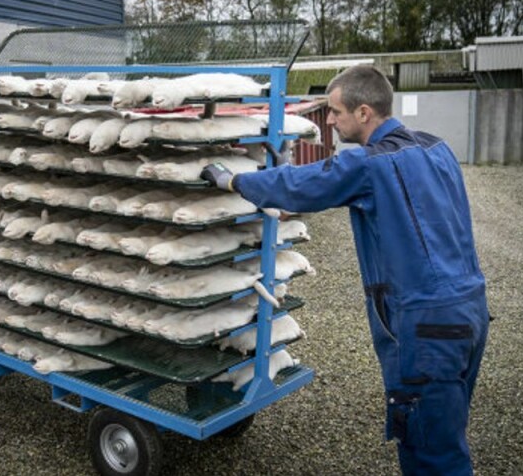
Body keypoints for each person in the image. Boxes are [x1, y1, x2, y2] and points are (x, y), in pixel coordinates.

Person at [201, 65, 488, 475]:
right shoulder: (436, 148)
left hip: (426, 327)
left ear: (365, 113)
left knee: (431, 453)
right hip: (470, 312)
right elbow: (370, 201)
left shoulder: (369, 166)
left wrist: (234, 182)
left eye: (335, 112)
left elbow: (304, 182)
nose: (329, 120)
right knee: (447, 429)